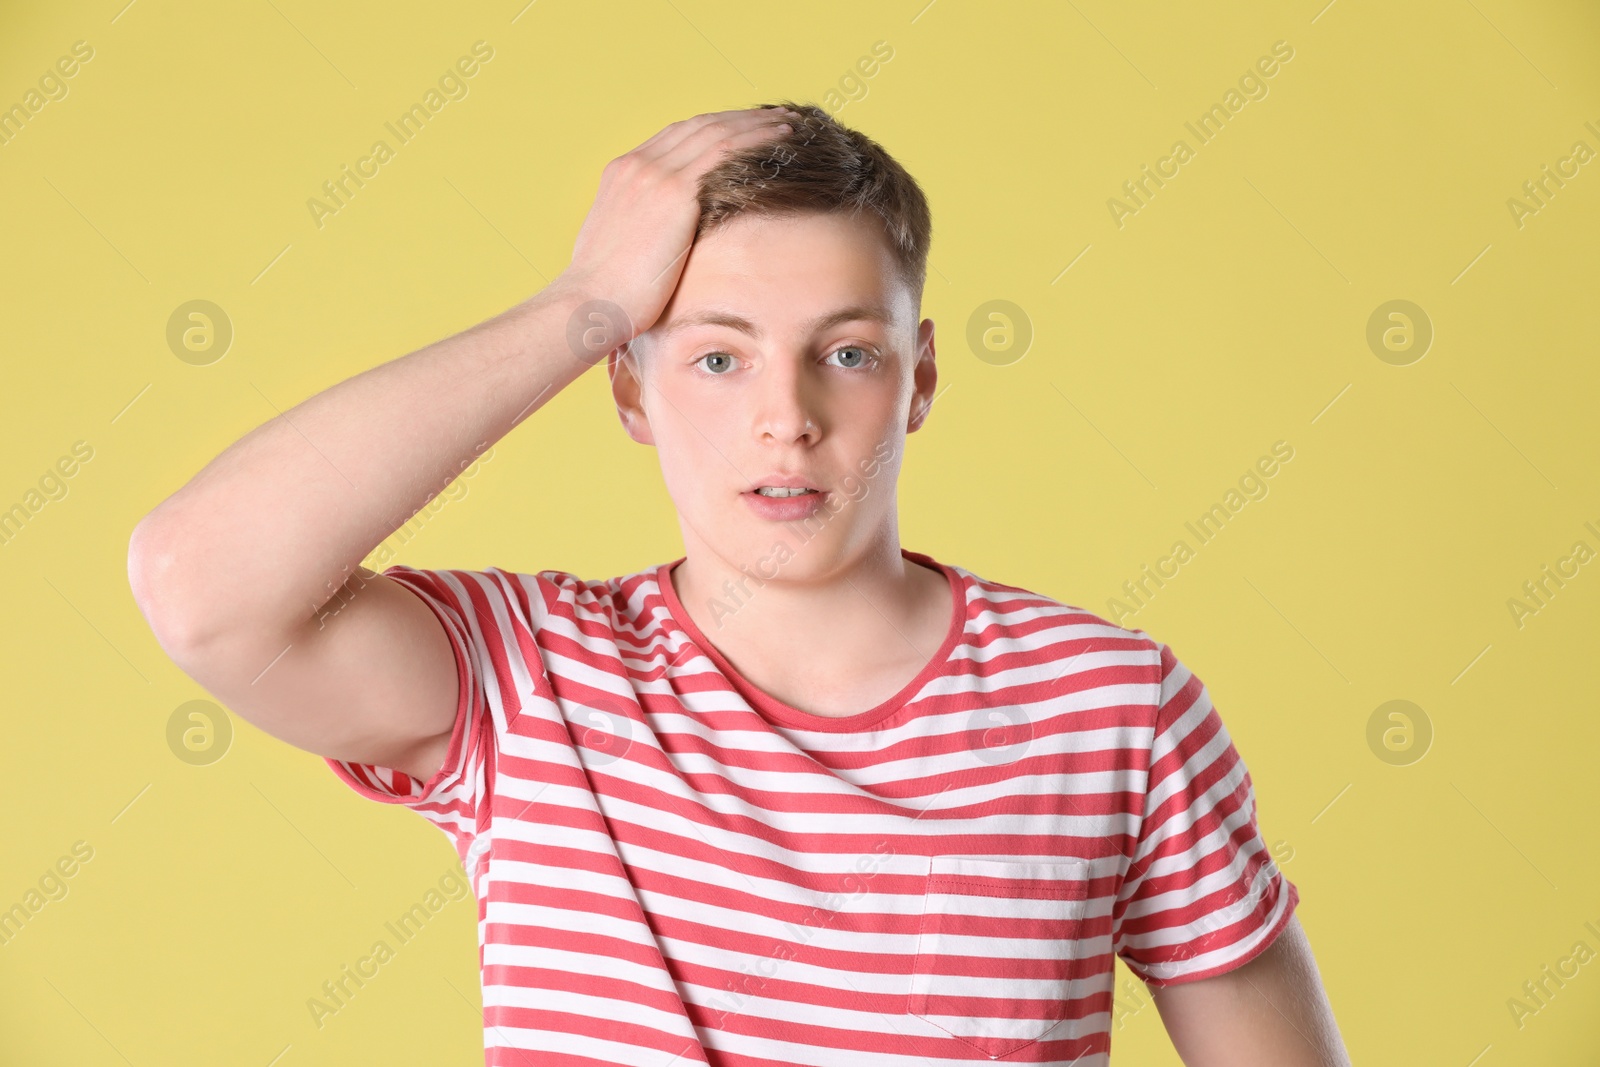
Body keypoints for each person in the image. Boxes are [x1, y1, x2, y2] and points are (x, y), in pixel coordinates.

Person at [127, 102, 1351, 1066]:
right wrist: (582, 302)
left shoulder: (1112, 707)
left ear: (917, 380)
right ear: (625, 386)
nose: (787, 419)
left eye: (847, 352)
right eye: (718, 355)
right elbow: (204, 582)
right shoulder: (530, 680)